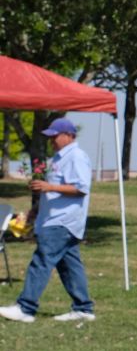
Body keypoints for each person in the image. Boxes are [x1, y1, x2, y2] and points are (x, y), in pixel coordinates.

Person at [0, 118, 96, 323]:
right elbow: (55, 190)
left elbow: (80, 188)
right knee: (69, 266)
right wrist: (36, 209)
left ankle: (25, 308)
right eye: (50, 136)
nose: (51, 140)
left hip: (62, 221)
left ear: (69, 136)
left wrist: (48, 187)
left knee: (41, 261)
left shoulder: (76, 157)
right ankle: (83, 308)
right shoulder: (59, 158)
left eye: (55, 136)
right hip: (53, 219)